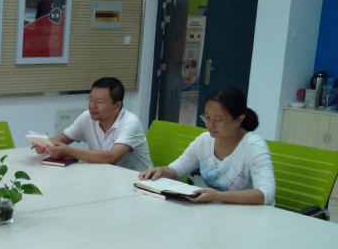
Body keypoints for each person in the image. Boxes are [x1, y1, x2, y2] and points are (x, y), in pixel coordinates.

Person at [139, 86, 275, 205]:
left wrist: (218, 196)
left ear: (239, 120)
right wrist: (161, 171)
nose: (210, 125)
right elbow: (177, 170)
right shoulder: (204, 141)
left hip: (249, 216)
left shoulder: (254, 147)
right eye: (207, 118)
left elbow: (265, 194)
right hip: (216, 211)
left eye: (218, 120)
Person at [33, 77, 152, 171]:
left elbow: (112, 157)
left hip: (136, 181)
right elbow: (60, 140)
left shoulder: (130, 123)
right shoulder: (86, 117)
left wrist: (69, 151)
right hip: (105, 176)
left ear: (117, 106)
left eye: (99, 102)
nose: (92, 106)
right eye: (90, 100)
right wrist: (44, 144)